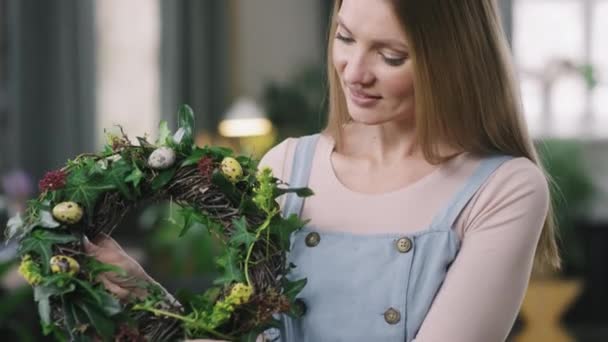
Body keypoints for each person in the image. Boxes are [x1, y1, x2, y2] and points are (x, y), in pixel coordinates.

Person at [86, 0, 560, 341]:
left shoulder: (503, 188)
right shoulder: (288, 165)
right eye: (344, 37)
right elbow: (250, 334)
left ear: (453, 62)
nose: (354, 71)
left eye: (390, 55)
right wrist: (143, 294)